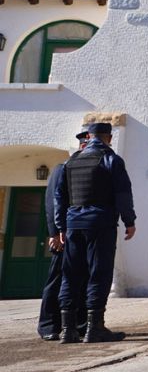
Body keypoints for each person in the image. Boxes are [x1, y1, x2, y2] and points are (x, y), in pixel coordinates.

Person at [54, 122, 137, 343]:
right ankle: (94, 328)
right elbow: (123, 194)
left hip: (73, 225)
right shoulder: (112, 160)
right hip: (100, 223)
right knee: (99, 273)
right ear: (108, 138)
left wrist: (61, 227)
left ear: (89, 137)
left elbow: (59, 197)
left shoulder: (71, 161)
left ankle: (68, 330)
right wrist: (130, 221)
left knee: (70, 275)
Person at [36, 130, 89, 341]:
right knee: (57, 279)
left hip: (82, 234)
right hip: (63, 234)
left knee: (83, 279)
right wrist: (54, 233)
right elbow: (52, 203)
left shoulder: (89, 170)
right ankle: (49, 325)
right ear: (82, 146)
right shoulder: (63, 168)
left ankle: (78, 324)